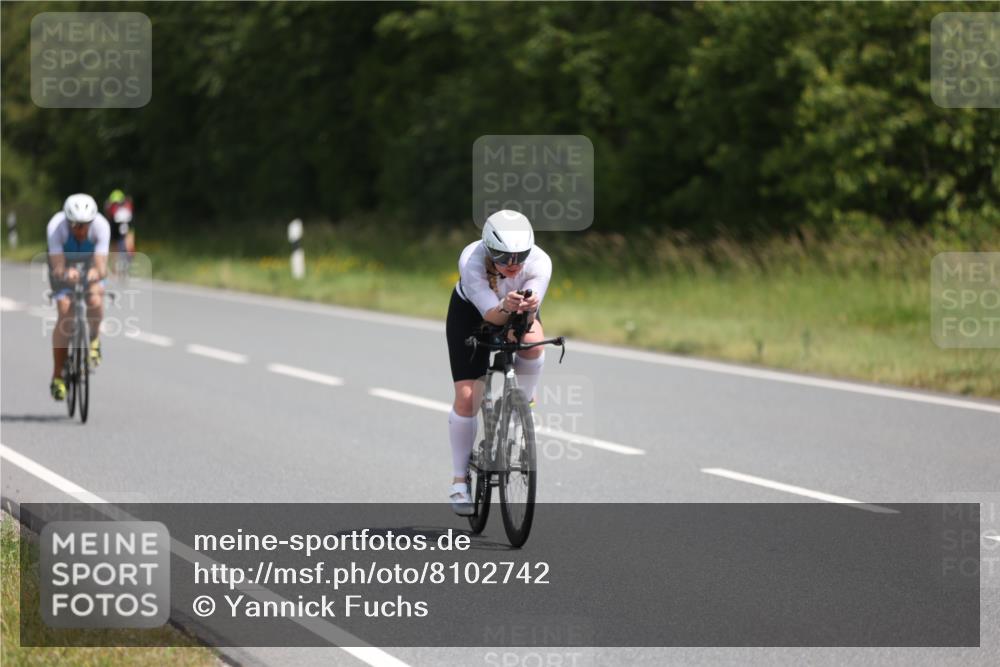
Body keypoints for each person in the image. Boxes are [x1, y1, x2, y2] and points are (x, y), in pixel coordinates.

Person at [444, 210, 552, 515]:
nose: (513, 263)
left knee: (533, 342)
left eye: (520, 256)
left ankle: (523, 402)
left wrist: (528, 307)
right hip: (472, 315)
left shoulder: (540, 262)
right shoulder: (472, 260)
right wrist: (505, 305)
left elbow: (529, 315)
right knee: (468, 397)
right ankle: (459, 481)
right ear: (490, 249)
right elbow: (491, 315)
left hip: (516, 311)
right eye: (504, 257)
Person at [47, 194, 111, 400]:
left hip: (90, 264)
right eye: (76, 225)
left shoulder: (101, 226)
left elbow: (102, 266)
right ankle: (58, 376)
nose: (81, 230)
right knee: (65, 312)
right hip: (64, 267)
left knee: (95, 298)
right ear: (68, 221)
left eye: (85, 225)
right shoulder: (56, 227)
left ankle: (94, 339)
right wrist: (66, 273)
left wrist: (95, 273)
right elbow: (57, 266)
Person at [104, 189, 135, 257]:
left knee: (127, 242)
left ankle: (129, 257)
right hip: (116, 227)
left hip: (124, 226)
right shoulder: (125, 206)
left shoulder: (126, 208)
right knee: (116, 245)